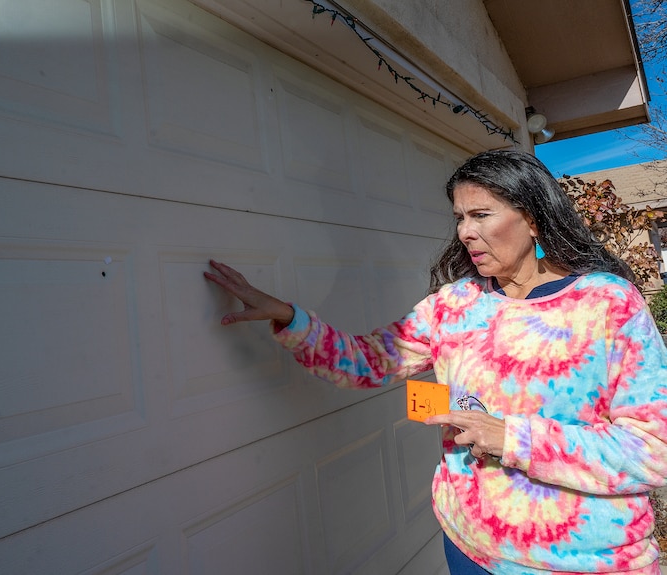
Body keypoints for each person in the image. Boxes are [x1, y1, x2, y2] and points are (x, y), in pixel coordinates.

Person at [203, 150, 667, 575]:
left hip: (584, 561)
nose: (466, 232)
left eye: (482, 214)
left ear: (533, 219)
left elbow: (654, 450)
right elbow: (368, 361)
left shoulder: (608, 304)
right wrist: (289, 316)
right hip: (468, 546)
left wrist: (513, 437)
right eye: (460, 217)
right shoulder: (454, 305)